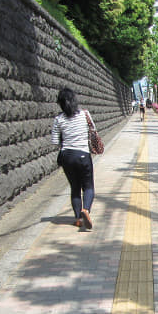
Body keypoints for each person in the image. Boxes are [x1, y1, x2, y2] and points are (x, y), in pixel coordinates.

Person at [51, 88, 95, 230]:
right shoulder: (85, 114)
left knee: (74, 187)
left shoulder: (58, 119)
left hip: (67, 156)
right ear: (75, 101)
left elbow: (54, 141)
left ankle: (77, 219)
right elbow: (93, 129)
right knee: (88, 186)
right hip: (83, 154)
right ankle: (86, 210)